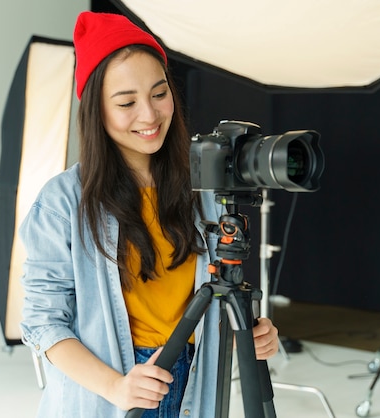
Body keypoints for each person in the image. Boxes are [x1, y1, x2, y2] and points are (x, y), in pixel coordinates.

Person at [19, 11, 279, 418]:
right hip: (113, 390)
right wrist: (118, 387)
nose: (149, 115)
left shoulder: (204, 190)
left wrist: (247, 334)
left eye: (159, 94)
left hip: (196, 381)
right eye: (126, 102)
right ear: (95, 111)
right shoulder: (62, 202)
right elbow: (43, 324)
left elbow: (211, 293)